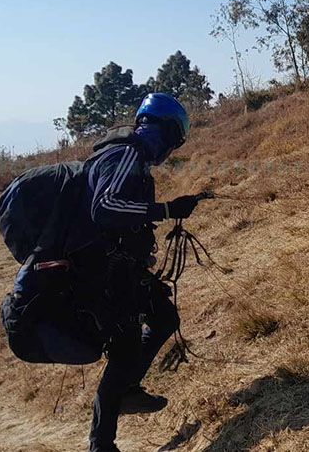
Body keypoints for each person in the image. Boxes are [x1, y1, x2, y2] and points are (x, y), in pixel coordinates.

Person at [86, 93, 207, 452]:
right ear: (164, 129)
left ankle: (128, 390)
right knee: (123, 353)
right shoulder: (126, 153)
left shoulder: (129, 156)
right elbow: (105, 208)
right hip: (109, 273)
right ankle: (101, 445)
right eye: (174, 137)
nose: (171, 148)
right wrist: (166, 209)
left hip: (125, 268)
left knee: (164, 316)